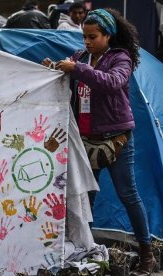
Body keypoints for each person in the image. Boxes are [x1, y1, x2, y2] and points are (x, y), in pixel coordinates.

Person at [43, 9, 157, 275]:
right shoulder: (82, 57)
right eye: (84, 37)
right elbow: (66, 75)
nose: (87, 42)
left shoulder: (121, 58)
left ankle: (146, 254)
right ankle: (86, 248)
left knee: (128, 195)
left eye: (93, 37)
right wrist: (53, 68)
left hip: (115, 139)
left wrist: (78, 69)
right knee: (86, 196)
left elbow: (113, 82)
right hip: (86, 140)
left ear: (108, 35)